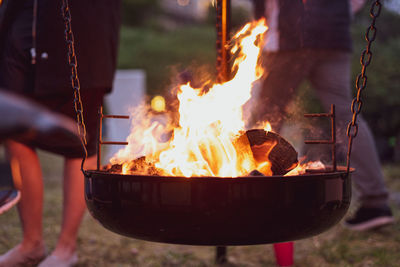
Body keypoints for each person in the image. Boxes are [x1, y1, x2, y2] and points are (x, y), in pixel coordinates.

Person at [251, 0, 394, 232]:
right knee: (346, 116)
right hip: (333, 35)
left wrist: (261, 21)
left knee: (268, 114)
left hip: (291, 33)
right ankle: (375, 202)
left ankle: (253, 194)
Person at [0, 0, 121, 266]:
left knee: (80, 140)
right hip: (22, 20)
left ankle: (66, 248)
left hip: (83, 26)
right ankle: (31, 244)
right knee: (13, 131)